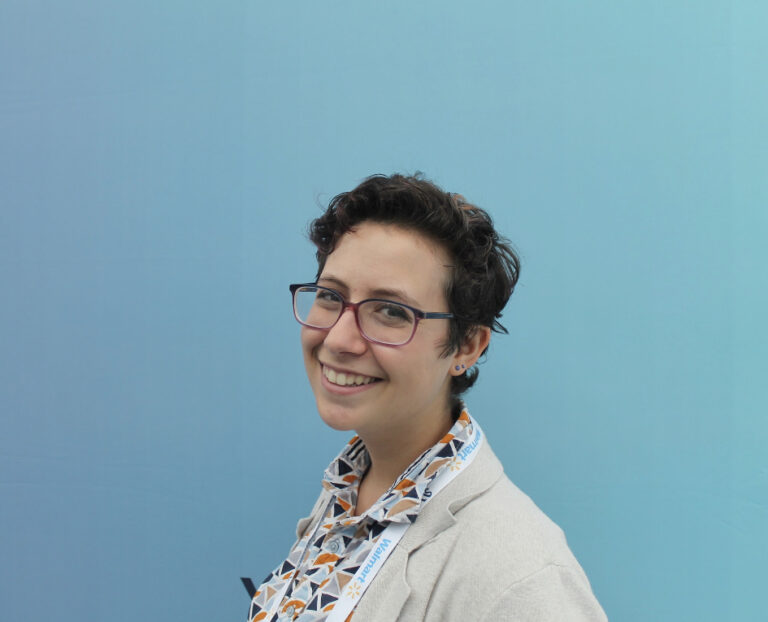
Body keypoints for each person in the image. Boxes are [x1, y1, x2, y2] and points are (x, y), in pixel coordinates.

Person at [244, 174, 607, 621]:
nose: (339, 339)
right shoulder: (350, 490)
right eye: (330, 296)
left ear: (467, 346)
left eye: (392, 312)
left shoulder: (522, 581)